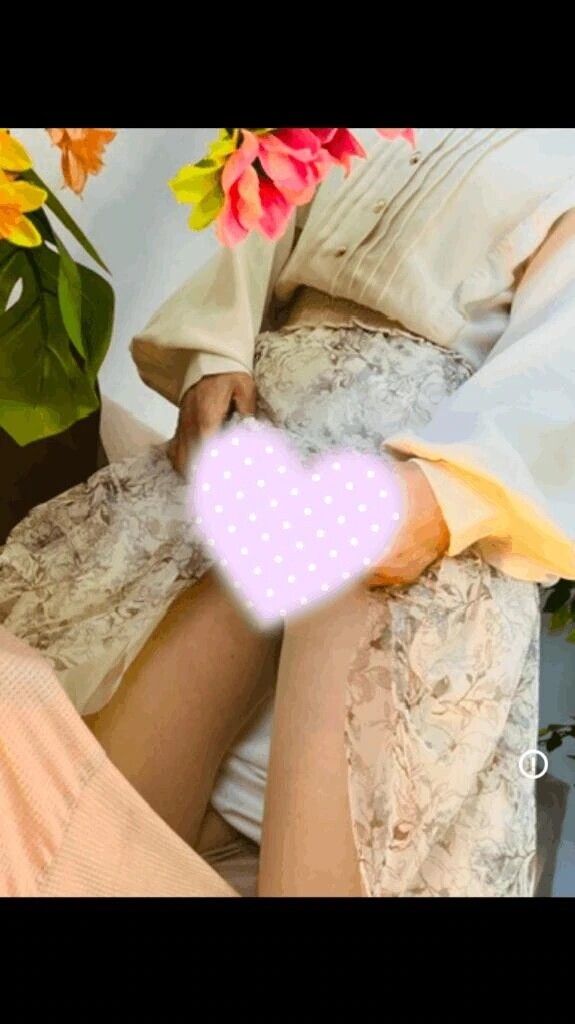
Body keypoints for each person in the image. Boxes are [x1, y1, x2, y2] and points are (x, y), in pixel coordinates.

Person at [2, 127, 575, 897]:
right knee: (72, 833)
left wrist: (443, 500)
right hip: (260, 430)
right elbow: (256, 211)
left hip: (416, 487)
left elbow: (561, 367)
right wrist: (214, 355)